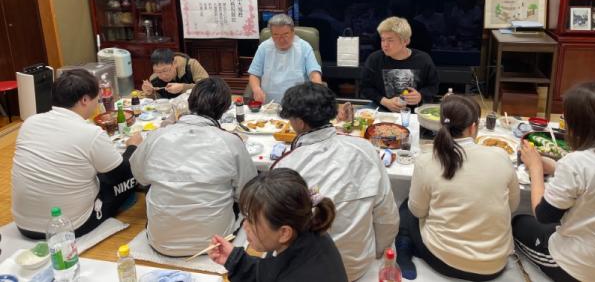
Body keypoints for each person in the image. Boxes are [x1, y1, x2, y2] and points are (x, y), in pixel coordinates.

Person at [273, 82, 399, 281]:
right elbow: (387, 215)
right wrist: (377, 253)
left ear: (300, 122)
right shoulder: (366, 149)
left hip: (312, 272)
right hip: (359, 265)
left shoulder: (285, 167)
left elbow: (279, 234)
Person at [396, 95, 519, 281]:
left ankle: (404, 250)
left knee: (406, 208)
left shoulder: (427, 161)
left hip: (443, 261)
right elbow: (513, 206)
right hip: (494, 265)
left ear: (441, 124)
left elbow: (418, 211)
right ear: (473, 127)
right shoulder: (500, 156)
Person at [130, 77, 257, 256]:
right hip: (216, 242)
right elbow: (246, 192)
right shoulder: (231, 142)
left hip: (162, 242)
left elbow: (139, 176)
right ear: (224, 109)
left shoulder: (157, 136)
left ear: (190, 102)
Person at [12, 69, 142, 238]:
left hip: (24, 225)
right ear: (85, 100)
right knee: (130, 175)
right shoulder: (90, 133)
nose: (97, 102)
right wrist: (133, 147)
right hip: (71, 226)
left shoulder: (30, 122)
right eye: (97, 98)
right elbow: (121, 174)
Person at [513, 82, 595, 282]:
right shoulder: (580, 162)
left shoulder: (576, 162)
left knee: (518, 222)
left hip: (575, 265)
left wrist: (535, 168)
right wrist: (555, 166)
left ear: (579, 125)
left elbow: (544, 215)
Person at [209, 168, 348, 282]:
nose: (245, 226)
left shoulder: (303, 273)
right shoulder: (306, 228)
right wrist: (235, 260)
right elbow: (271, 272)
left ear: (284, 233)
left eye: (252, 221)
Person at [361, 16, 439, 112]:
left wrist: (420, 96)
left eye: (390, 40)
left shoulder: (423, 59)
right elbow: (365, 87)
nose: (385, 45)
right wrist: (385, 101)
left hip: (414, 109)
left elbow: (433, 86)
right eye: (383, 40)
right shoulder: (374, 59)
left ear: (405, 41)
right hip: (382, 107)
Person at [248, 14, 322, 103]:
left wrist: (317, 93)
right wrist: (256, 89)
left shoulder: (304, 47)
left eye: (285, 34)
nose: (281, 39)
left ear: (293, 32)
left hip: (298, 102)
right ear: (271, 34)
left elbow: (314, 74)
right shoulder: (264, 47)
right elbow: (254, 74)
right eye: (276, 35)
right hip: (269, 103)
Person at [141, 48, 208, 99]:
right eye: (157, 72)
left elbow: (207, 87)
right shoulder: (154, 79)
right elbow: (158, 102)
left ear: (174, 63)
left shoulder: (191, 65)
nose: (163, 76)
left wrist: (183, 87)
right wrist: (150, 93)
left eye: (165, 70)